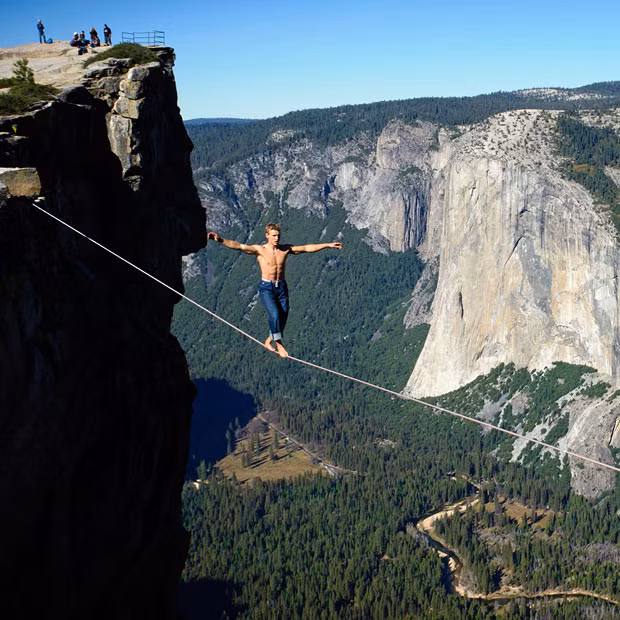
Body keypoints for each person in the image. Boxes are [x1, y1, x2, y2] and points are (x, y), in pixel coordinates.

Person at [207, 224, 342, 358]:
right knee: (275, 314)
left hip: (282, 287)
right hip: (267, 288)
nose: (277, 238)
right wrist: (220, 239)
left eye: (278, 235)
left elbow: (306, 248)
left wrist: (328, 245)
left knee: (283, 317)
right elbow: (239, 246)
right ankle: (279, 343)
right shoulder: (260, 250)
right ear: (267, 235)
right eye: (274, 235)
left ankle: (268, 340)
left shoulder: (285, 249)